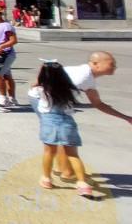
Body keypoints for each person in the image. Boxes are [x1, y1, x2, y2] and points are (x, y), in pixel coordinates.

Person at [55, 51, 131, 182]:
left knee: (63, 135)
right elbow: (98, 104)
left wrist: (127, 118)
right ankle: (67, 173)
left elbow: (98, 104)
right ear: (95, 64)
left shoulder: (87, 77)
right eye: (111, 64)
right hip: (49, 104)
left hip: (50, 103)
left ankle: (61, 168)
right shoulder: (83, 77)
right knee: (68, 138)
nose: (114, 67)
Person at [28, 61, 91, 196]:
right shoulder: (72, 90)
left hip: (49, 121)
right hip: (67, 122)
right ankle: (82, 183)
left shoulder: (41, 89)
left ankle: (46, 178)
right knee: (73, 155)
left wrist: (43, 71)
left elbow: (33, 87)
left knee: (48, 152)